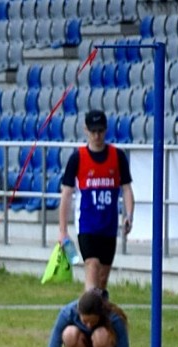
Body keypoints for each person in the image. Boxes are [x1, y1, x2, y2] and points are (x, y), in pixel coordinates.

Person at [58, 110, 134, 295]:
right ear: (86, 130)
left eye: (100, 131)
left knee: (102, 280)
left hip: (108, 226)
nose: (97, 135)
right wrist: (63, 231)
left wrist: (129, 216)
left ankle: (97, 314)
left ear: (106, 130)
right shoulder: (78, 158)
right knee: (92, 265)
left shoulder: (117, 157)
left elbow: (127, 189)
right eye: (93, 131)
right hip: (87, 225)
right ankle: (88, 316)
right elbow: (66, 195)